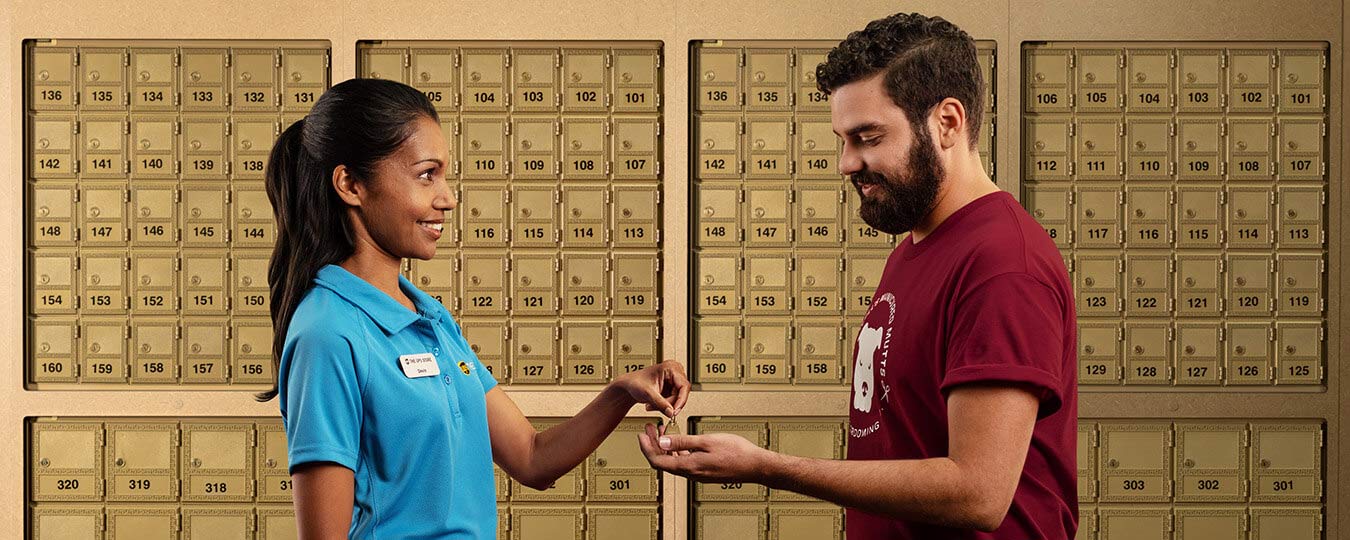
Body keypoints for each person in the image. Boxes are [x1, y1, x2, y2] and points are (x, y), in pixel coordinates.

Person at [640, 13, 1077, 539]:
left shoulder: (1003, 264)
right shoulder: (918, 246)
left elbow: (978, 492)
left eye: (867, 137)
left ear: (947, 122)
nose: (847, 162)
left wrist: (767, 467)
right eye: (843, 140)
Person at [258, 78, 691, 539]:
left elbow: (532, 457)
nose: (447, 197)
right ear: (351, 185)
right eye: (427, 174)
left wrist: (621, 393)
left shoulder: (428, 318)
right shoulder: (327, 332)